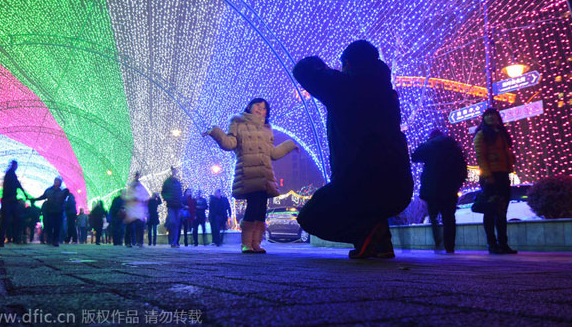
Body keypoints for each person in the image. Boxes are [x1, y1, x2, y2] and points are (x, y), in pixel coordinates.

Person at [292, 40, 413, 259]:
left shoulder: (345, 87)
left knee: (310, 217)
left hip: (358, 182)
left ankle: (367, 234)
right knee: (371, 204)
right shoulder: (387, 94)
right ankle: (379, 242)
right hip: (399, 185)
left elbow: (302, 69)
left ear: (347, 63)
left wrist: (324, 70)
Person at [204, 98, 298, 253]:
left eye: (264, 108)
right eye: (258, 106)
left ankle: (256, 243)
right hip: (248, 172)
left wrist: (290, 145)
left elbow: (273, 153)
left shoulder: (267, 128)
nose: (261, 110)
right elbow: (229, 143)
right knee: (253, 207)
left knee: (261, 209)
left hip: (264, 174)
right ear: (249, 106)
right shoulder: (238, 122)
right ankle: (246, 243)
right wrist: (215, 132)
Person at [412, 129, 467, 253]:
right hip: (450, 188)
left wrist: (425, 143)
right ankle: (450, 246)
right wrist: (458, 183)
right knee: (449, 217)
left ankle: (438, 243)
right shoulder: (453, 146)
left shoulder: (430, 146)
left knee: (433, 216)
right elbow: (463, 167)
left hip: (433, 188)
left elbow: (414, 156)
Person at [474, 108, 517, 254]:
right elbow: (481, 157)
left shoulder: (502, 134)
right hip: (491, 176)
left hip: (503, 174)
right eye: (488, 115)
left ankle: (503, 244)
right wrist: (488, 176)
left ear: (498, 117)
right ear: (484, 119)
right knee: (490, 210)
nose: (491, 117)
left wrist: (510, 162)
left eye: (494, 115)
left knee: (502, 211)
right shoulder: (481, 135)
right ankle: (492, 244)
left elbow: (507, 152)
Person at [0, 160, 31, 247]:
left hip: (8, 200)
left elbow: (17, 184)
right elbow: (17, 184)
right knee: (12, 219)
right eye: (16, 165)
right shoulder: (11, 174)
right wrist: (25, 194)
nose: (16, 167)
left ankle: (2, 240)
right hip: (10, 200)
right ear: (14, 165)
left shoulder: (9, 174)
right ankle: (13, 239)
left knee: (6, 220)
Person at [32, 178, 70, 247]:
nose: (56, 182)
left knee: (57, 226)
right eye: (56, 181)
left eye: (58, 181)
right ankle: (49, 239)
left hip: (58, 211)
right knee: (50, 225)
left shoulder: (62, 191)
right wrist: (35, 199)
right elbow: (43, 196)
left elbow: (65, 198)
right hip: (50, 211)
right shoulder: (49, 190)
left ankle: (55, 240)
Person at [124, 172, 149, 247]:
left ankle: (139, 242)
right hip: (132, 209)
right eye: (136, 176)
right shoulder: (131, 185)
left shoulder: (140, 186)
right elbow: (128, 196)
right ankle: (128, 242)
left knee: (139, 226)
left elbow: (145, 196)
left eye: (138, 176)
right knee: (130, 226)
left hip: (138, 209)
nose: (137, 177)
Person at [161, 167, 183, 248]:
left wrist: (181, 203)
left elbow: (180, 194)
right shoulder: (167, 182)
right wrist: (168, 198)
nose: (175, 173)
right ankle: (172, 241)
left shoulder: (178, 182)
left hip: (178, 206)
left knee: (176, 224)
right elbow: (163, 192)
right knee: (173, 222)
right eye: (174, 171)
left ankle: (174, 242)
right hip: (171, 205)